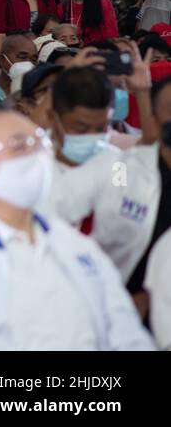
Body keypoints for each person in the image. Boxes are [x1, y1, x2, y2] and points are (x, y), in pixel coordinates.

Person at [0, 107, 152, 350]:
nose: (37, 157)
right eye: (20, 146)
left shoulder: (74, 245)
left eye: (39, 144)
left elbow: (124, 330)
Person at [52, 71, 170, 311]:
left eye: (101, 127)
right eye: (81, 128)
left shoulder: (116, 164)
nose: (92, 136)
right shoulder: (115, 168)